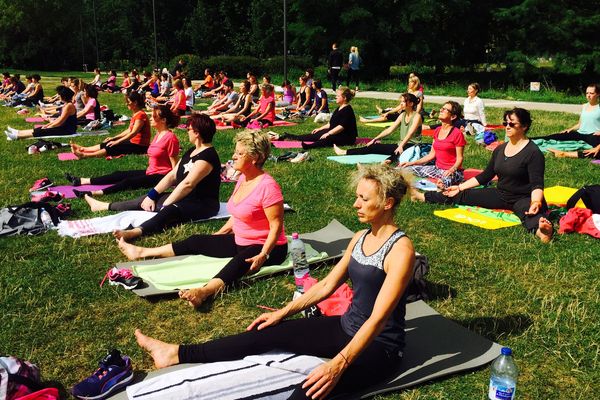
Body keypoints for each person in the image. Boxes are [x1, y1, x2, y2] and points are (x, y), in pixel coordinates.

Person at [133, 163, 415, 399]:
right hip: (345, 327)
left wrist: (338, 364)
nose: (355, 204)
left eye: (364, 199)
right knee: (263, 334)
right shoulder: (360, 237)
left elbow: (378, 319)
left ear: (387, 203)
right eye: (357, 196)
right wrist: (282, 313)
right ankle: (176, 353)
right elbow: (327, 285)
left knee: (308, 391)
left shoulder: (400, 250)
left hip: (380, 347)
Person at [118, 130, 288, 307]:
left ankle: (204, 292)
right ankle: (141, 252)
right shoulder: (243, 179)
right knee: (196, 241)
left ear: (255, 157)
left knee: (238, 263)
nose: (233, 156)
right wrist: (219, 234)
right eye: (235, 152)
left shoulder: (268, 187)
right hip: (241, 242)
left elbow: (276, 226)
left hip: (271, 248)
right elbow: (238, 215)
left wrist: (264, 254)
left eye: (239, 153)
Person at [411, 108, 554, 243]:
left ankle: (542, 232)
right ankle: (422, 196)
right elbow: (485, 176)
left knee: (531, 213)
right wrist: (460, 188)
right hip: (501, 194)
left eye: (512, 124)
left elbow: (537, 183)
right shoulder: (500, 149)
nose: (507, 126)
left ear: (524, 126)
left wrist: (535, 202)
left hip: (524, 196)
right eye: (505, 123)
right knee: (459, 194)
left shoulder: (533, 153)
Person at [82, 113, 221, 241]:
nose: (187, 132)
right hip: (187, 198)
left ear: (197, 133)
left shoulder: (207, 156)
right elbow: (172, 175)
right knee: (145, 200)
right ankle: (103, 206)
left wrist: (166, 205)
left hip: (204, 205)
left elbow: (188, 184)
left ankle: (136, 232)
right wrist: (152, 195)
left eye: (188, 129)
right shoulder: (193, 151)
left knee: (170, 210)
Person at [68, 105, 180, 197]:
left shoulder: (170, 138)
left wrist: (174, 183)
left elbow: (174, 165)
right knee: (119, 174)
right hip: (151, 171)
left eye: (154, 116)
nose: (150, 118)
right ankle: (82, 180)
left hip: (162, 176)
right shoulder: (158, 134)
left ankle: (93, 193)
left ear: (163, 120)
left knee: (128, 182)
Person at [334, 93, 422, 163]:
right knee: (373, 147)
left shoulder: (417, 116)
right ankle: (345, 152)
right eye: (401, 102)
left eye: (403, 102)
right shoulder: (402, 115)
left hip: (413, 146)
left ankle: (389, 161)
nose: (401, 104)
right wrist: (375, 139)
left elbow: (410, 133)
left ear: (411, 103)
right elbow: (390, 130)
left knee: (397, 152)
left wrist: (401, 146)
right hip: (402, 144)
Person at [399, 101, 466, 188]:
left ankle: (440, 186)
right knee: (403, 169)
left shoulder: (457, 134)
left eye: (445, 110)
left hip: (453, 171)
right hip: (436, 169)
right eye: (442, 108)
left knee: (444, 183)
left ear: (453, 116)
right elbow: (431, 155)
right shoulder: (437, 130)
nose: (441, 110)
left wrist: (452, 169)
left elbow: (460, 158)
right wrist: (412, 163)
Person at [70, 91, 151, 158]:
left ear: (135, 103)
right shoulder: (136, 114)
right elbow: (129, 130)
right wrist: (114, 138)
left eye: (128, 102)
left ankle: (85, 155)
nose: (126, 104)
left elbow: (133, 133)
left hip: (140, 146)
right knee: (110, 142)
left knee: (113, 146)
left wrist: (118, 142)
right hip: (134, 143)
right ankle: (83, 149)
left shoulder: (141, 115)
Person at [279, 87, 358, 150]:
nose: (336, 97)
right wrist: (320, 129)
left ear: (344, 98)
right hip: (337, 132)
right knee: (316, 134)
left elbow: (341, 127)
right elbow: (331, 123)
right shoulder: (339, 108)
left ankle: (309, 146)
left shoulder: (347, 110)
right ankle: (292, 137)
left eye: (338, 96)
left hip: (347, 137)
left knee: (327, 138)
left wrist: (328, 133)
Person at [542, 83, 600, 151]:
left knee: (596, 147)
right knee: (557, 136)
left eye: (591, 93)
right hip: (580, 133)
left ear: (598, 94)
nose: (588, 95)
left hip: (592, 135)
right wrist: (570, 129)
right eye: (587, 93)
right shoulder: (584, 106)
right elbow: (580, 124)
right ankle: (532, 140)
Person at [5, 86, 76, 140]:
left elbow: (60, 121)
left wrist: (50, 127)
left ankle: (17, 136)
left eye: (59, 95)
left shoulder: (69, 106)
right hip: (63, 127)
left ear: (63, 96)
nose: (58, 96)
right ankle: (18, 132)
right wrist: (49, 124)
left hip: (67, 129)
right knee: (41, 128)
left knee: (43, 130)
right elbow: (60, 118)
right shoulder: (66, 104)